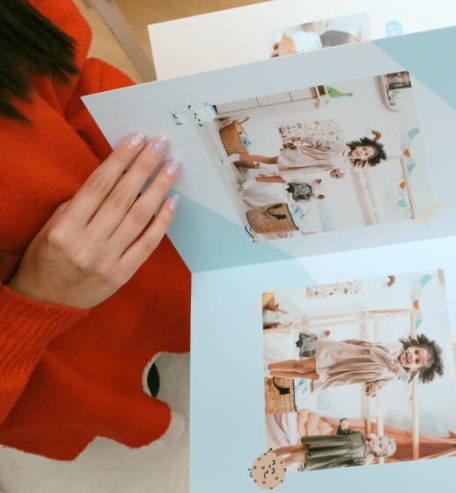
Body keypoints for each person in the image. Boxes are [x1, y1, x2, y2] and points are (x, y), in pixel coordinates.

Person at [0, 0, 190, 460]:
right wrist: (34, 304)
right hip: (43, 349)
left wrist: (137, 122)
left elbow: (62, 57)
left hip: (142, 224)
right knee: (112, 397)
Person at [267, 334, 444, 394]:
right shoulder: (396, 349)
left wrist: (373, 388)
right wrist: (391, 365)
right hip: (344, 357)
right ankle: (268, 367)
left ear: (415, 369)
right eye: (415, 351)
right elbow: (374, 350)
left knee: (307, 375)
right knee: (302, 366)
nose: (411, 356)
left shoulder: (394, 375)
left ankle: (270, 373)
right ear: (412, 346)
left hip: (343, 373)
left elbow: (379, 382)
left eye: (416, 360)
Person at [231, 133, 387, 183]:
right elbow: (319, 142)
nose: (362, 153)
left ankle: (252, 180)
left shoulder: (347, 165)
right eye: (364, 149)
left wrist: (336, 175)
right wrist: (299, 138)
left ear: (365, 160)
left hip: (307, 169)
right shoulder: (342, 147)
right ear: (360, 145)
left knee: (283, 179)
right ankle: (237, 156)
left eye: (366, 155)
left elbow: (331, 172)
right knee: (270, 160)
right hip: (302, 157)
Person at [272, 418, 396, 470]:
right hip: (323, 444)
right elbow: (342, 433)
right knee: (294, 448)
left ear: (378, 453)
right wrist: (343, 425)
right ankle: (270, 455)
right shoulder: (360, 435)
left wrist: (364, 464)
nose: (377, 441)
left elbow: (349, 468)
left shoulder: (363, 459)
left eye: (380, 445)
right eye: (380, 438)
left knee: (294, 458)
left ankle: (271, 468)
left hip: (325, 456)